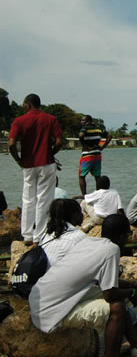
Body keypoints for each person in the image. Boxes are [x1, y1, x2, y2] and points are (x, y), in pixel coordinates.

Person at [29, 214, 137, 357]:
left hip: (39, 297)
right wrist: (132, 292)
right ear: (121, 236)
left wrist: (133, 285)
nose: (128, 239)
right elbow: (110, 294)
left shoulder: (89, 242)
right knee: (117, 307)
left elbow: (106, 283)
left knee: (119, 298)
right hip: (49, 310)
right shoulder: (112, 249)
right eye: (128, 234)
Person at [8, 94, 63, 245]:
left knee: (28, 199)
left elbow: (11, 144)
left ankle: (27, 235)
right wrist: (51, 153)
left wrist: (18, 159)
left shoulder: (19, 121)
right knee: (44, 199)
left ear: (27, 104)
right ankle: (39, 236)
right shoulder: (50, 119)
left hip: (28, 165)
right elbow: (59, 141)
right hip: (46, 163)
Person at [41, 199, 87, 267]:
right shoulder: (78, 236)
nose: (82, 215)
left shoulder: (47, 234)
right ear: (75, 215)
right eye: (80, 212)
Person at [78, 115, 112, 196]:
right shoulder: (99, 128)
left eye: (83, 120)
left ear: (87, 121)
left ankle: (84, 196)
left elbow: (81, 135)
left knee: (81, 176)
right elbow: (109, 136)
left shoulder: (85, 128)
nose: (81, 122)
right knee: (97, 176)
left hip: (87, 155)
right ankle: (98, 194)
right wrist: (103, 147)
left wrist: (84, 145)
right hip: (97, 155)